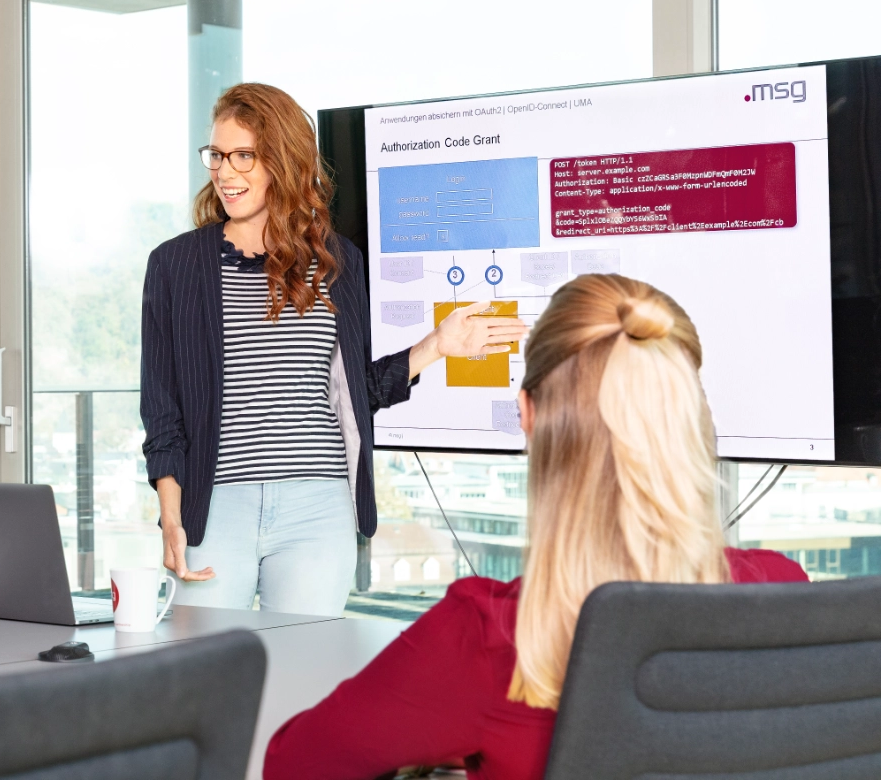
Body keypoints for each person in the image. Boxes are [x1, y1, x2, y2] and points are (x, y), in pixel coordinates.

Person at [263, 274, 808, 779]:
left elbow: (294, 765)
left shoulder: (487, 635)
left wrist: (452, 727)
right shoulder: (782, 591)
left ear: (528, 415)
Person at [142, 82, 528, 616]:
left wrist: (437, 345)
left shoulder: (337, 262)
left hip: (317, 507)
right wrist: (170, 514)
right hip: (215, 505)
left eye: (243, 156)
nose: (225, 172)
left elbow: (352, 396)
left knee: (305, 673)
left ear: (284, 159)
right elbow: (161, 409)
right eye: (217, 155)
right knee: (207, 678)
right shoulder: (175, 265)